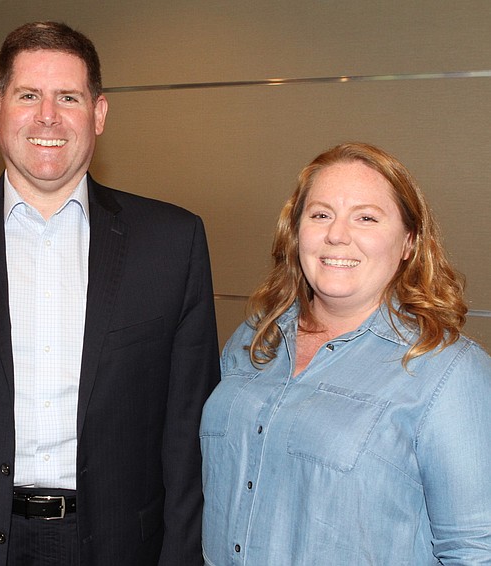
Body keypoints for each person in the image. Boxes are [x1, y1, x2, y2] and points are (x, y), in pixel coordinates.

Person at [0, 21, 220, 566]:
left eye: (68, 97)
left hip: (117, 546)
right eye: (28, 96)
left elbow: (188, 435)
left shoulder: (171, 244)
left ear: (99, 114)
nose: (47, 117)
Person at [200, 142, 491, 564]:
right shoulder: (255, 339)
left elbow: (475, 550)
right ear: (296, 231)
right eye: (320, 215)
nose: (337, 234)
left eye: (367, 218)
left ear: (409, 241)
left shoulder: (449, 371)